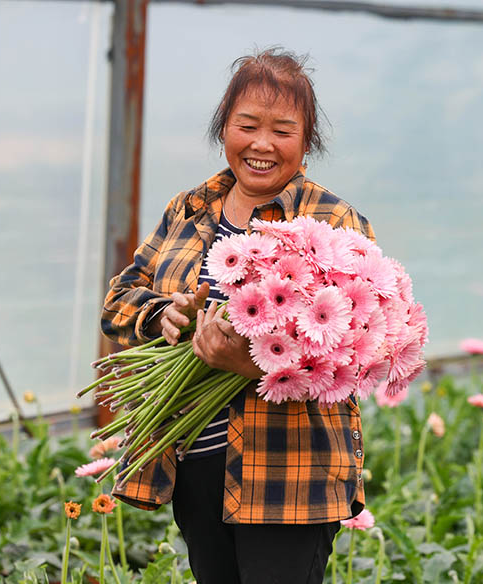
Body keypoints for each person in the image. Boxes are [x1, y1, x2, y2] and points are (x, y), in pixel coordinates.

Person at [100, 49, 374, 584]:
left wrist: (254, 366)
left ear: (307, 139)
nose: (262, 144)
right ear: (224, 127)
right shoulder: (190, 208)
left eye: (283, 130)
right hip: (196, 463)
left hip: (289, 477)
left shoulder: (332, 221)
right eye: (247, 125)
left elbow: (359, 353)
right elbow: (120, 300)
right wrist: (164, 317)